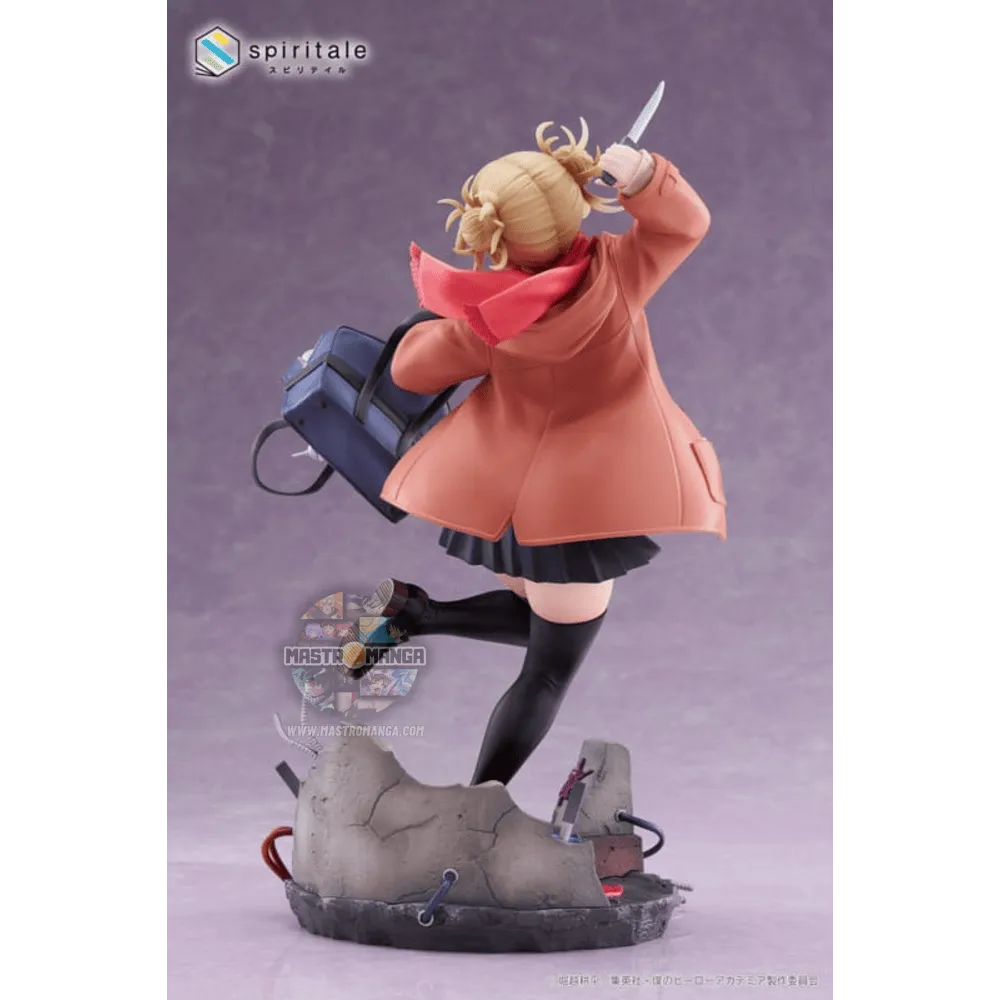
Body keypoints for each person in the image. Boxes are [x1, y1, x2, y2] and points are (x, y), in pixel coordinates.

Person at [344, 119, 726, 788]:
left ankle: (418, 615)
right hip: (583, 508)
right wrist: (643, 179)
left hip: (510, 504)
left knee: (548, 623)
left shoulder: (490, 320)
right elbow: (685, 225)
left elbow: (409, 372)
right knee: (550, 667)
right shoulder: (618, 273)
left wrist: (447, 317)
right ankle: (479, 806)